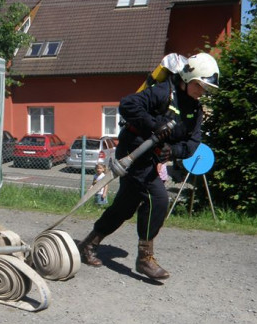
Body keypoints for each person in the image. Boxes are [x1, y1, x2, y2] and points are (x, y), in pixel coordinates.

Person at [77, 53, 219, 280]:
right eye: (199, 86)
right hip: (133, 152)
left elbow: (192, 144)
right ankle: (144, 258)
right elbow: (128, 104)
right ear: (189, 77)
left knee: (125, 206)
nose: (202, 92)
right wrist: (154, 126)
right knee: (158, 198)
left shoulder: (195, 111)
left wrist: (173, 151)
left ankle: (88, 244)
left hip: (154, 158)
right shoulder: (164, 91)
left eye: (205, 89)